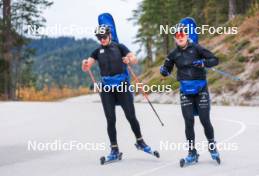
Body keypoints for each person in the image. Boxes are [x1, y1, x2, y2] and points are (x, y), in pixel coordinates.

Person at [82, 25, 152, 160]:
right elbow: (86, 67)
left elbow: (134, 59)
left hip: (122, 86)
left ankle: (140, 142)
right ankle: (114, 150)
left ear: (109, 35)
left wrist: (129, 60)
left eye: (103, 37)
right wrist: (84, 63)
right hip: (107, 88)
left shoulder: (120, 47)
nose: (101, 40)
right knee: (110, 119)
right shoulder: (97, 51)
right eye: (99, 38)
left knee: (131, 116)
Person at [160, 24, 220, 162]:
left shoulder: (197, 48)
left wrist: (203, 63)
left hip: (200, 89)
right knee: (189, 121)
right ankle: (192, 153)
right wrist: (163, 71)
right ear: (175, 38)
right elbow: (166, 70)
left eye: (182, 34)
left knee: (205, 120)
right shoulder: (173, 54)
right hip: (185, 91)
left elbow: (215, 60)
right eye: (177, 36)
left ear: (186, 35)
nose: (180, 37)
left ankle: (212, 146)